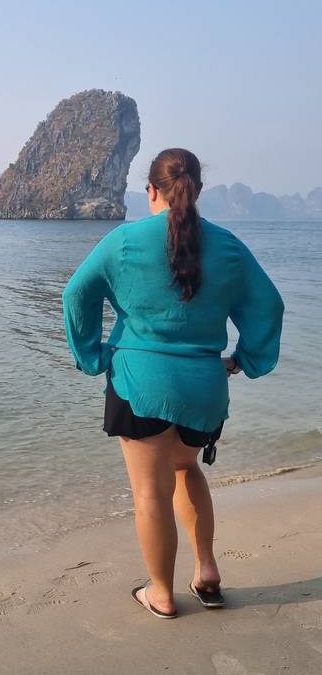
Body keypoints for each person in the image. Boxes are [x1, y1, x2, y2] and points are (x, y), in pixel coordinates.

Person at [61, 148, 284, 619]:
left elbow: (76, 292)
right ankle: (206, 571)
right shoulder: (229, 246)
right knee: (186, 470)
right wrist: (245, 360)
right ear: (197, 190)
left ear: (151, 192)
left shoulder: (124, 241)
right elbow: (269, 306)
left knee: (150, 492)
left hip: (140, 384)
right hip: (205, 389)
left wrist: (92, 356)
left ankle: (160, 592)